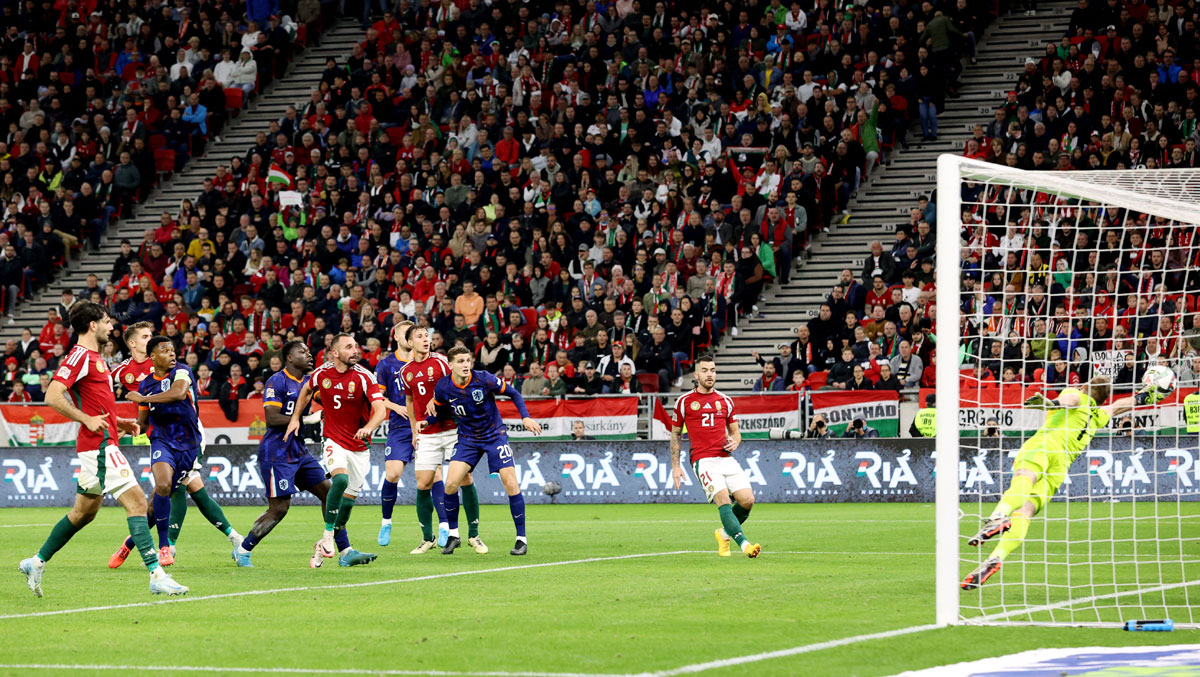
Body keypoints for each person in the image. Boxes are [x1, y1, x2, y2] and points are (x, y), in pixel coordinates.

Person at [18, 302, 188, 597]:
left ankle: (36, 561)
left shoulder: (95, 358)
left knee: (84, 513)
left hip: (101, 440)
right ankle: (156, 574)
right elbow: (52, 395)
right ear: (93, 325)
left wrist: (118, 421)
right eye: (107, 322)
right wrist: (86, 419)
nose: (112, 327)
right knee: (136, 502)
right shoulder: (80, 356)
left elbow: (95, 402)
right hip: (99, 446)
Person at [962, 376, 1147, 589]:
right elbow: (1120, 405)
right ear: (1104, 400)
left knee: (1024, 479)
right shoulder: (1100, 415)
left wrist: (1053, 404)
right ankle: (996, 557)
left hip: (1046, 444)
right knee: (1026, 511)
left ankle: (997, 517)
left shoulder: (1078, 395)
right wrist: (1145, 395)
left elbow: (1071, 400)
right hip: (1061, 466)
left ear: (1085, 387)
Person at [109, 337, 241, 569]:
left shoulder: (182, 372)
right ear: (152, 357)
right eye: (165, 351)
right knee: (164, 487)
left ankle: (130, 543)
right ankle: (164, 547)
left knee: (168, 495)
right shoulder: (145, 385)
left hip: (188, 443)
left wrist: (144, 399)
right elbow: (142, 421)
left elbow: (179, 393)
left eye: (173, 350)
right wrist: (127, 428)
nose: (172, 354)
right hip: (162, 441)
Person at [231, 342, 351, 567]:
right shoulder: (277, 380)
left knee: (330, 493)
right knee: (279, 508)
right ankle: (243, 549)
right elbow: (271, 418)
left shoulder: (308, 381)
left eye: (308, 351)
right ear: (288, 358)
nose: (309, 355)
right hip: (276, 452)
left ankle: (344, 551)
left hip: (298, 451)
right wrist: (306, 419)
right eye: (302, 352)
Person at [420, 346, 542, 555]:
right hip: (468, 440)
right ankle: (453, 535)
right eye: (460, 361)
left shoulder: (484, 379)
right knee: (450, 484)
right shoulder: (444, 387)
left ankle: (521, 539)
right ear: (451, 365)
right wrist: (425, 422)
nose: (465, 365)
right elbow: (439, 410)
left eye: (467, 360)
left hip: (495, 436)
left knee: (511, 483)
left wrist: (525, 417)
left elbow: (512, 393)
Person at [284, 333, 385, 567]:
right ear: (335, 353)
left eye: (356, 346)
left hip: (360, 447)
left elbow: (379, 410)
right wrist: (296, 418)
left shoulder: (364, 376)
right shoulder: (322, 373)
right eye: (349, 347)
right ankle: (328, 536)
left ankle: (330, 547)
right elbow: (306, 390)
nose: (355, 350)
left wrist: (369, 427)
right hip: (333, 440)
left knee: (347, 505)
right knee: (339, 480)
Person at [402, 325, 484, 554]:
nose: (425, 339)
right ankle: (427, 538)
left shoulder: (440, 362)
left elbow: (457, 385)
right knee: (423, 483)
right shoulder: (405, 372)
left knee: (465, 478)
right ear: (410, 343)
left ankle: (474, 535)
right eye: (419, 337)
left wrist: (439, 399)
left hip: (452, 429)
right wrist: (414, 431)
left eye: (427, 336)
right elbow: (409, 401)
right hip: (426, 434)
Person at [670, 355, 761, 558]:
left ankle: (724, 534)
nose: (709, 374)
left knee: (747, 500)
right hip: (703, 461)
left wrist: (736, 441)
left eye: (712, 370)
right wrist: (676, 466)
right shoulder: (684, 402)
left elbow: (736, 432)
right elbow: (676, 434)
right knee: (723, 500)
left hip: (726, 458)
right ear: (696, 374)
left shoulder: (725, 401)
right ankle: (745, 545)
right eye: (705, 370)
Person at [374, 320, 416, 547]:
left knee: (433, 477)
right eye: (405, 333)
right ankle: (386, 522)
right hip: (399, 426)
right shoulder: (386, 365)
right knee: (392, 474)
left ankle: (444, 528)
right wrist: (395, 406)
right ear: (397, 338)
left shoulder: (426, 362)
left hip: (425, 425)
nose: (410, 337)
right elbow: (378, 396)